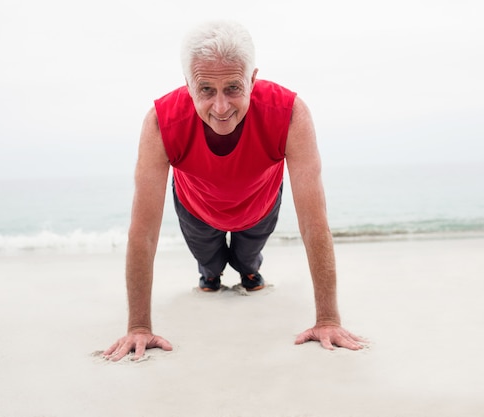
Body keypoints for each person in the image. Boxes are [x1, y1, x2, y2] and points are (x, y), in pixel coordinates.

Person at [104, 21, 366, 361]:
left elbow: (314, 223)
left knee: (247, 259)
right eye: (206, 90)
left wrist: (328, 319)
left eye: (232, 88)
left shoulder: (289, 113)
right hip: (196, 207)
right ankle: (211, 276)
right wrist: (139, 326)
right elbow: (143, 233)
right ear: (188, 85)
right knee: (210, 264)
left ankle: (248, 272)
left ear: (252, 80)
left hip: (260, 205)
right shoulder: (160, 121)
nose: (221, 107)